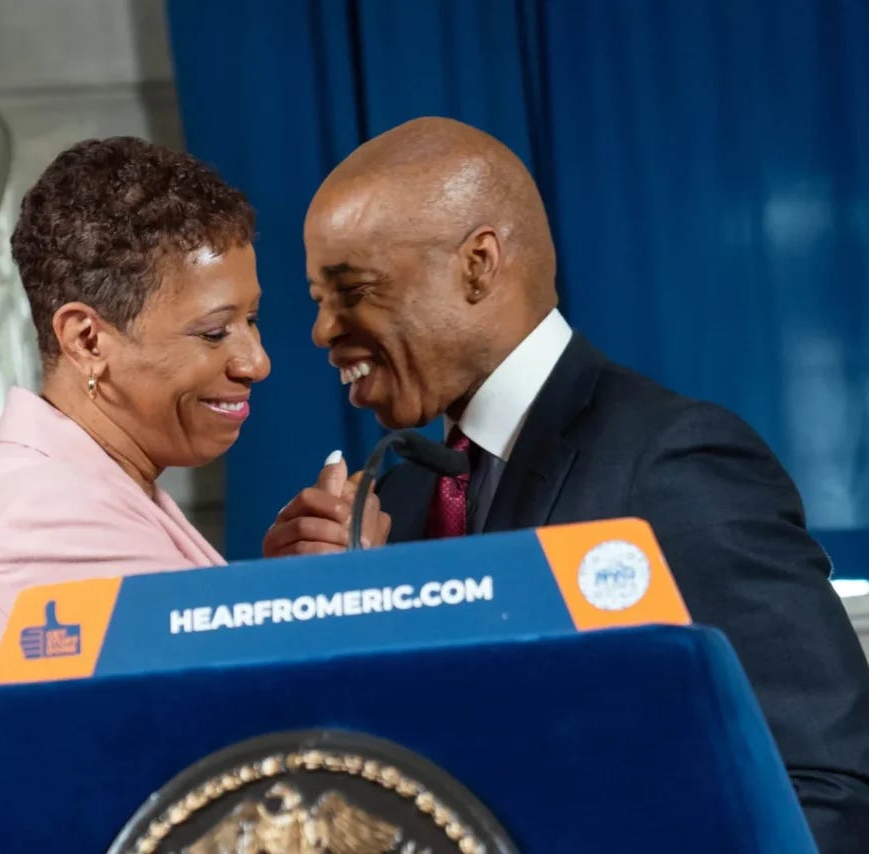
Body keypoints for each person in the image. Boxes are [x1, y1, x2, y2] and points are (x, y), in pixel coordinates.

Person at [263, 116, 869, 852]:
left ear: (478, 265)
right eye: (317, 300)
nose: (323, 330)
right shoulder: (398, 504)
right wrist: (331, 614)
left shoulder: (674, 461)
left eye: (351, 290)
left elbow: (827, 783)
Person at [0, 137, 273, 694]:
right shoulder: (53, 521)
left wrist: (295, 595)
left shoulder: (86, 485)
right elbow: (235, 724)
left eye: (252, 320)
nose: (256, 362)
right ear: (87, 340)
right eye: (214, 331)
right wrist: (348, 590)